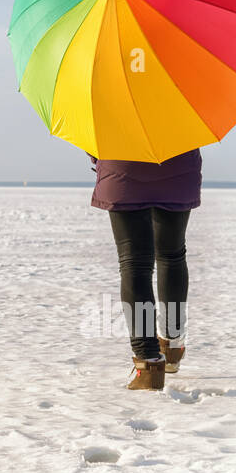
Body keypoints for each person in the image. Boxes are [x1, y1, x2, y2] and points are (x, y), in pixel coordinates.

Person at [87, 148, 201, 390]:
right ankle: (172, 344)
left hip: (122, 167)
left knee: (134, 263)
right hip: (177, 166)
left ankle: (148, 362)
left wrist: (96, 156)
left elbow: (93, 137)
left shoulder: (111, 107)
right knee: (172, 255)